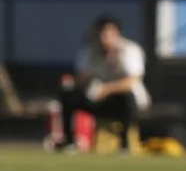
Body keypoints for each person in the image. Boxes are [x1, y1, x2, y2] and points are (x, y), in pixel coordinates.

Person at [56, 15, 150, 153]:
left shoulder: (129, 49)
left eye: (108, 33)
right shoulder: (90, 51)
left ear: (117, 34)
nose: (104, 38)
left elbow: (131, 82)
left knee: (126, 97)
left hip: (127, 102)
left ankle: (125, 145)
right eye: (101, 33)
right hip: (98, 98)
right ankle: (69, 142)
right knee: (68, 95)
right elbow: (82, 78)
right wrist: (74, 81)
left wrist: (107, 89)